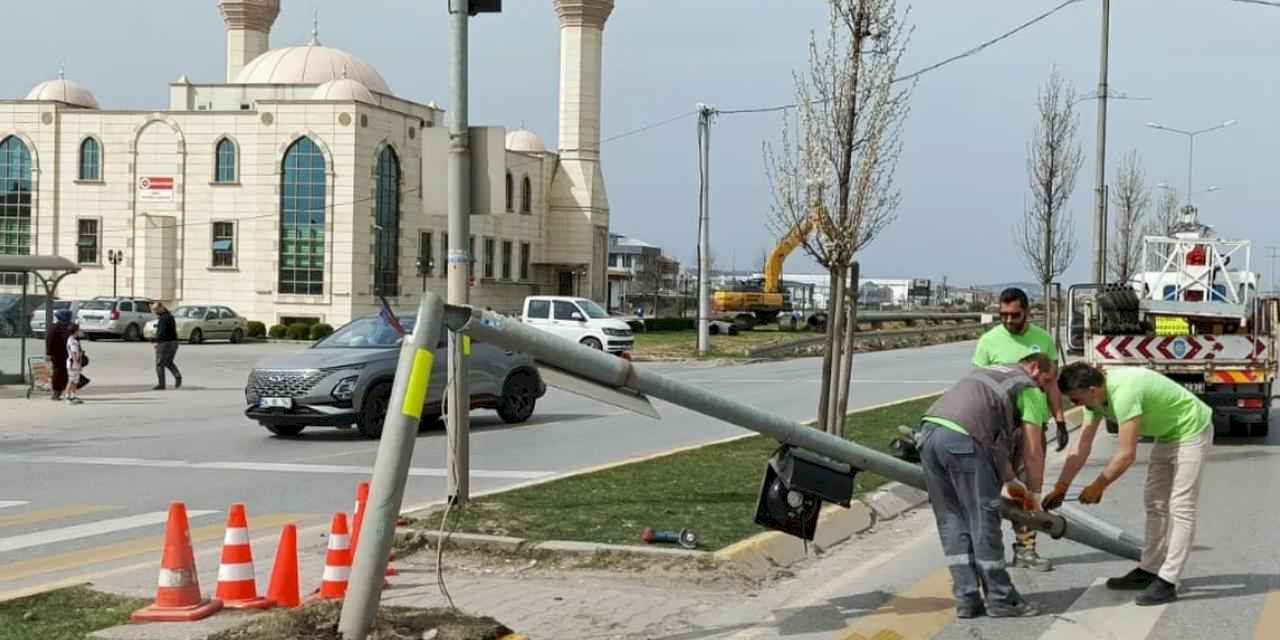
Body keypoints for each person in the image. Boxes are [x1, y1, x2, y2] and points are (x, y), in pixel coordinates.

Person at [1043, 363, 1212, 606]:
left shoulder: (1124, 392)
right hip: (1168, 435)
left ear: (1092, 390)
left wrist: (1099, 485)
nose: (1077, 405)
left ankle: (1169, 580)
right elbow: (1082, 446)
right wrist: (1061, 486)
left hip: (1193, 429)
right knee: (1154, 503)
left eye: (1077, 399)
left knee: (1180, 507)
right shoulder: (1095, 400)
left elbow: (1126, 454)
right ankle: (1150, 569)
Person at [918, 353, 1057, 619]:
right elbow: (1033, 452)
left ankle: (967, 599)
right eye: (1046, 381)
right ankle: (1001, 599)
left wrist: (1011, 483)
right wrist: (1034, 499)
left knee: (951, 519)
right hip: (964, 440)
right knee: (984, 520)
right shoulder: (1028, 387)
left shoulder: (992, 373)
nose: (1044, 388)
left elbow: (997, 445)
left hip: (929, 434)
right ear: (1035, 367)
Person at [972, 286, 1067, 572]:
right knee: (991, 489)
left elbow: (1051, 383)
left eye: (1015, 315)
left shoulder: (1043, 340)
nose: (1009, 321)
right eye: (1004, 315)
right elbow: (978, 384)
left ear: (1028, 311)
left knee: (1029, 489)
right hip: (998, 428)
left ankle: (1026, 548)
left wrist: (1060, 419)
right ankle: (988, 552)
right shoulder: (988, 342)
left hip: (1032, 426)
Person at [152, 302, 182, 390]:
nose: (155, 312)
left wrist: (157, 342)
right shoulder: (170, 316)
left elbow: (162, 332)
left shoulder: (163, 318)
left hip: (165, 343)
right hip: (174, 342)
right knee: (168, 362)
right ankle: (177, 376)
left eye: (156, 310)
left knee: (159, 364)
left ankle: (161, 384)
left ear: (161, 308)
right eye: (154, 310)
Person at [46, 309, 71, 401]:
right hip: (57, 355)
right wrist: (49, 353)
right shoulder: (55, 327)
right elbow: (50, 341)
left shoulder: (68, 326)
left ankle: (64, 392)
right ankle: (56, 393)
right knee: (58, 373)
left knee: (66, 373)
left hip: (67, 354)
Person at [64, 323, 85, 405]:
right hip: (73, 364)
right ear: (75, 331)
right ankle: (67, 397)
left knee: (75, 381)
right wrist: (77, 363)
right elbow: (74, 353)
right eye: (78, 330)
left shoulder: (73, 339)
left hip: (75, 363)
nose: (80, 332)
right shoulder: (72, 341)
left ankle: (73, 396)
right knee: (71, 380)